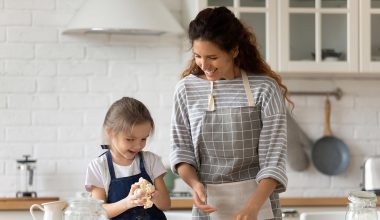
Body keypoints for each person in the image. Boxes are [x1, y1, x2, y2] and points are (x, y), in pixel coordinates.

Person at [169, 6, 291, 220]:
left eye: (212, 57)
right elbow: (181, 151)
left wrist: (251, 208)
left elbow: (274, 159)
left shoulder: (264, 88)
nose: (204, 65)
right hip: (209, 205)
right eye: (198, 56)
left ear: (234, 50)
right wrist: (195, 184)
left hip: (259, 206)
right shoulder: (186, 90)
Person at [85, 97, 170, 220]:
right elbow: (98, 212)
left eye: (143, 139)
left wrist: (154, 196)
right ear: (110, 132)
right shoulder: (99, 167)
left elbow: (166, 205)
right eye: (130, 139)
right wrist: (127, 203)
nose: (138, 146)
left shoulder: (151, 161)